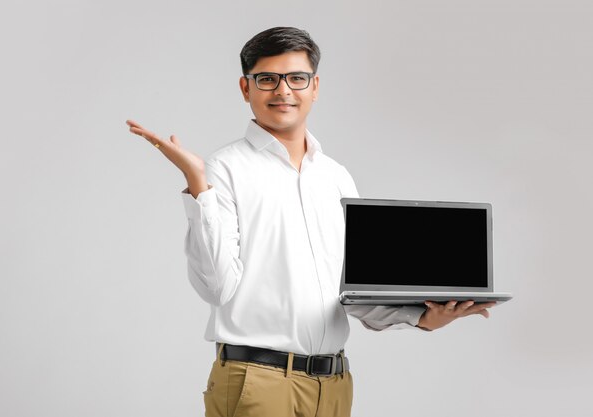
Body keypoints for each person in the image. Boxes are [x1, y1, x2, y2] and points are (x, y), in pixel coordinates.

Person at [126, 26, 496, 417]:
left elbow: (349, 292)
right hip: (259, 383)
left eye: (296, 78)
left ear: (314, 87)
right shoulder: (224, 169)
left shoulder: (336, 177)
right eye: (267, 79)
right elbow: (218, 287)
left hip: (333, 384)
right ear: (245, 87)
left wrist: (424, 317)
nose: (283, 91)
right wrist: (199, 186)